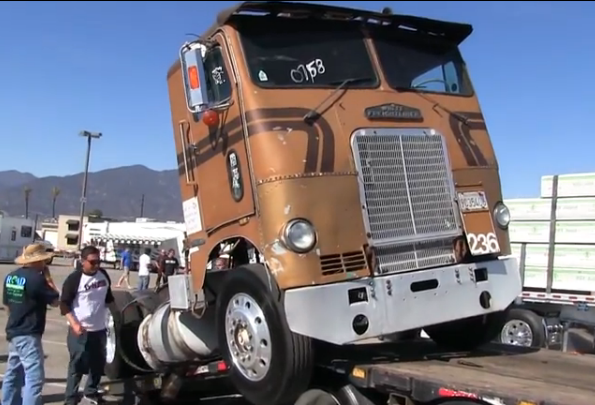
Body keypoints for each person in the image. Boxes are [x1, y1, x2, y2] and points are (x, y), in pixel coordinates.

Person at [2, 243, 60, 405]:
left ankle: (8, 402)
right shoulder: (37, 279)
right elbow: (55, 300)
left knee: (13, 373)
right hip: (29, 332)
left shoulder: (12, 276)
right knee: (34, 378)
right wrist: (48, 279)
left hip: (14, 330)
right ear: (38, 261)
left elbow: (7, 304)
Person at [60, 245, 116, 405]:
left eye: (99, 261)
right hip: (80, 329)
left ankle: (91, 392)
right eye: (92, 262)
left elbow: (108, 299)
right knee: (77, 365)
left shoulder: (103, 275)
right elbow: (64, 305)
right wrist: (75, 324)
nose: (96, 265)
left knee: (98, 363)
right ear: (83, 262)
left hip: (99, 329)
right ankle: (70, 398)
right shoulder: (74, 279)